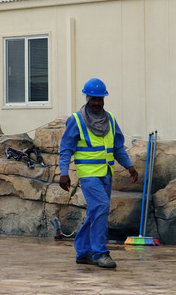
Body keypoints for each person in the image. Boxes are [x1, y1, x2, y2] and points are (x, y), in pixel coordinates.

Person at [58, 78, 138, 269]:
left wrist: (129, 166)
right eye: (93, 99)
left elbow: (117, 147)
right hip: (88, 175)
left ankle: (83, 252)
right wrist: (63, 172)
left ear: (104, 99)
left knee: (96, 212)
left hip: (106, 173)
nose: (96, 103)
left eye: (100, 99)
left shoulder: (109, 119)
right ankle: (101, 253)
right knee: (102, 206)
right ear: (87, 98)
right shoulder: (76, 120)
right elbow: (65, 148)